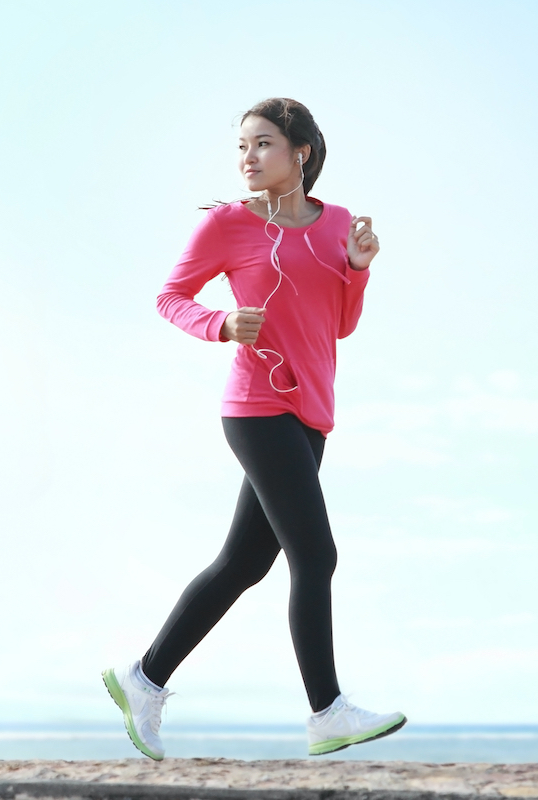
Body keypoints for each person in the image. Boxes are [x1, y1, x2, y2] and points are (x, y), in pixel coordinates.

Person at [101, 98, 405, 760]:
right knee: (315, 554)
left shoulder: (339, 226)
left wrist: (357, 268)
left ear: (299, 153)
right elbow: (170, 297)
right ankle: (327, 711)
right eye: (241, 145)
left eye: (262, 144)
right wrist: (219, 324)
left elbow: (339, 324)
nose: (246, 157)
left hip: (313, 412)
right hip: (256, 406)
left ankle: (144, 679)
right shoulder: (229, 225)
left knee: (243, 563)